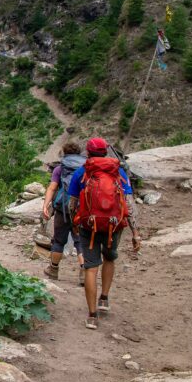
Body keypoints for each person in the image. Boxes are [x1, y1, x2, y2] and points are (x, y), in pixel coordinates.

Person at [67, 137, 141, 330]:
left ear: (88, 153)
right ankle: (104, 299)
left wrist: (74, 224)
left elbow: (72, 204)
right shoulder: (119, 172)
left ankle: (92, 316)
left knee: (91, 268)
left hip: (88, 226)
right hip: (113, 226)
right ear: (106, 152)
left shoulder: (82, 172)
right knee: (109, 259)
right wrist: (135, 232)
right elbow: (129, 204)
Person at [41, 143, 87, 283]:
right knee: (80, 241)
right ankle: (84, 272)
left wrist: (46, 205)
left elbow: (52, 188)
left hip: (62, 209)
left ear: (64, 153)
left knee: (59, 240)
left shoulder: (60, 169)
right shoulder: (85, 168)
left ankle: (53, 269)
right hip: (80, 209)